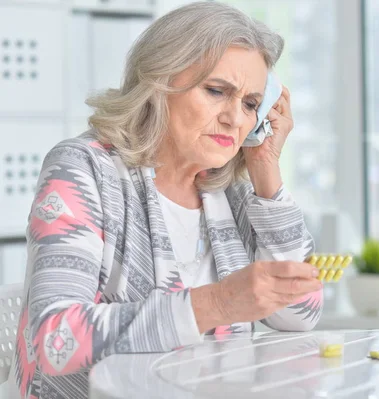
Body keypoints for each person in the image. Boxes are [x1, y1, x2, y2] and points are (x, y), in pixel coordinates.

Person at [9, 2, 322, 398]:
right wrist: (219, 304)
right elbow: (55, 339)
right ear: (159, 81)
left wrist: (265, 166)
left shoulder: (235, 193)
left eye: (250, 104)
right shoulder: (83, 169)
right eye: (215, 91)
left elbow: (300, 314)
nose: (234, 118)